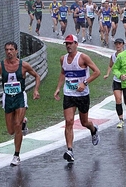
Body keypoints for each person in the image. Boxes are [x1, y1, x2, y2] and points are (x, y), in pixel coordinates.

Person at [0, 41, 41, 166]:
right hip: (7, 98)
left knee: (17, 125)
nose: (9, 52)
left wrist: (35, 90)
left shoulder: (24, 65)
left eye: (11, 49)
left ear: (16, 51)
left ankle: (16, 155)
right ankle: (24, 122)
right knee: (10, 131)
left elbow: (37, 76)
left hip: (20, 97)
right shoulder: (0, 66)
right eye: (7, 49)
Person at [54, 35, 100, 163]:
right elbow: (63, 73)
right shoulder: (63, 59)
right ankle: (70, 150)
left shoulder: (83, 57)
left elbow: (97, 72)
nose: (68, 46)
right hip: (69, 94)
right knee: (69, 121)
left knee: (84, 122)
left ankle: (94, 129)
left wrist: (84, 83)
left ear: (76, 44)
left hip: (82, 95)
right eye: (66, 44)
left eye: (70, 43)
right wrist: (58, 88)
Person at [103, 38, 125, 128]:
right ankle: (121, 119)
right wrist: (107, 74)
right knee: (118, 99)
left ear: (123, 44)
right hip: (117, 81)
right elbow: (110, 65)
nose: (118, 45)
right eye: (116, 44)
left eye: (120, 44)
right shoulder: (113, 56)